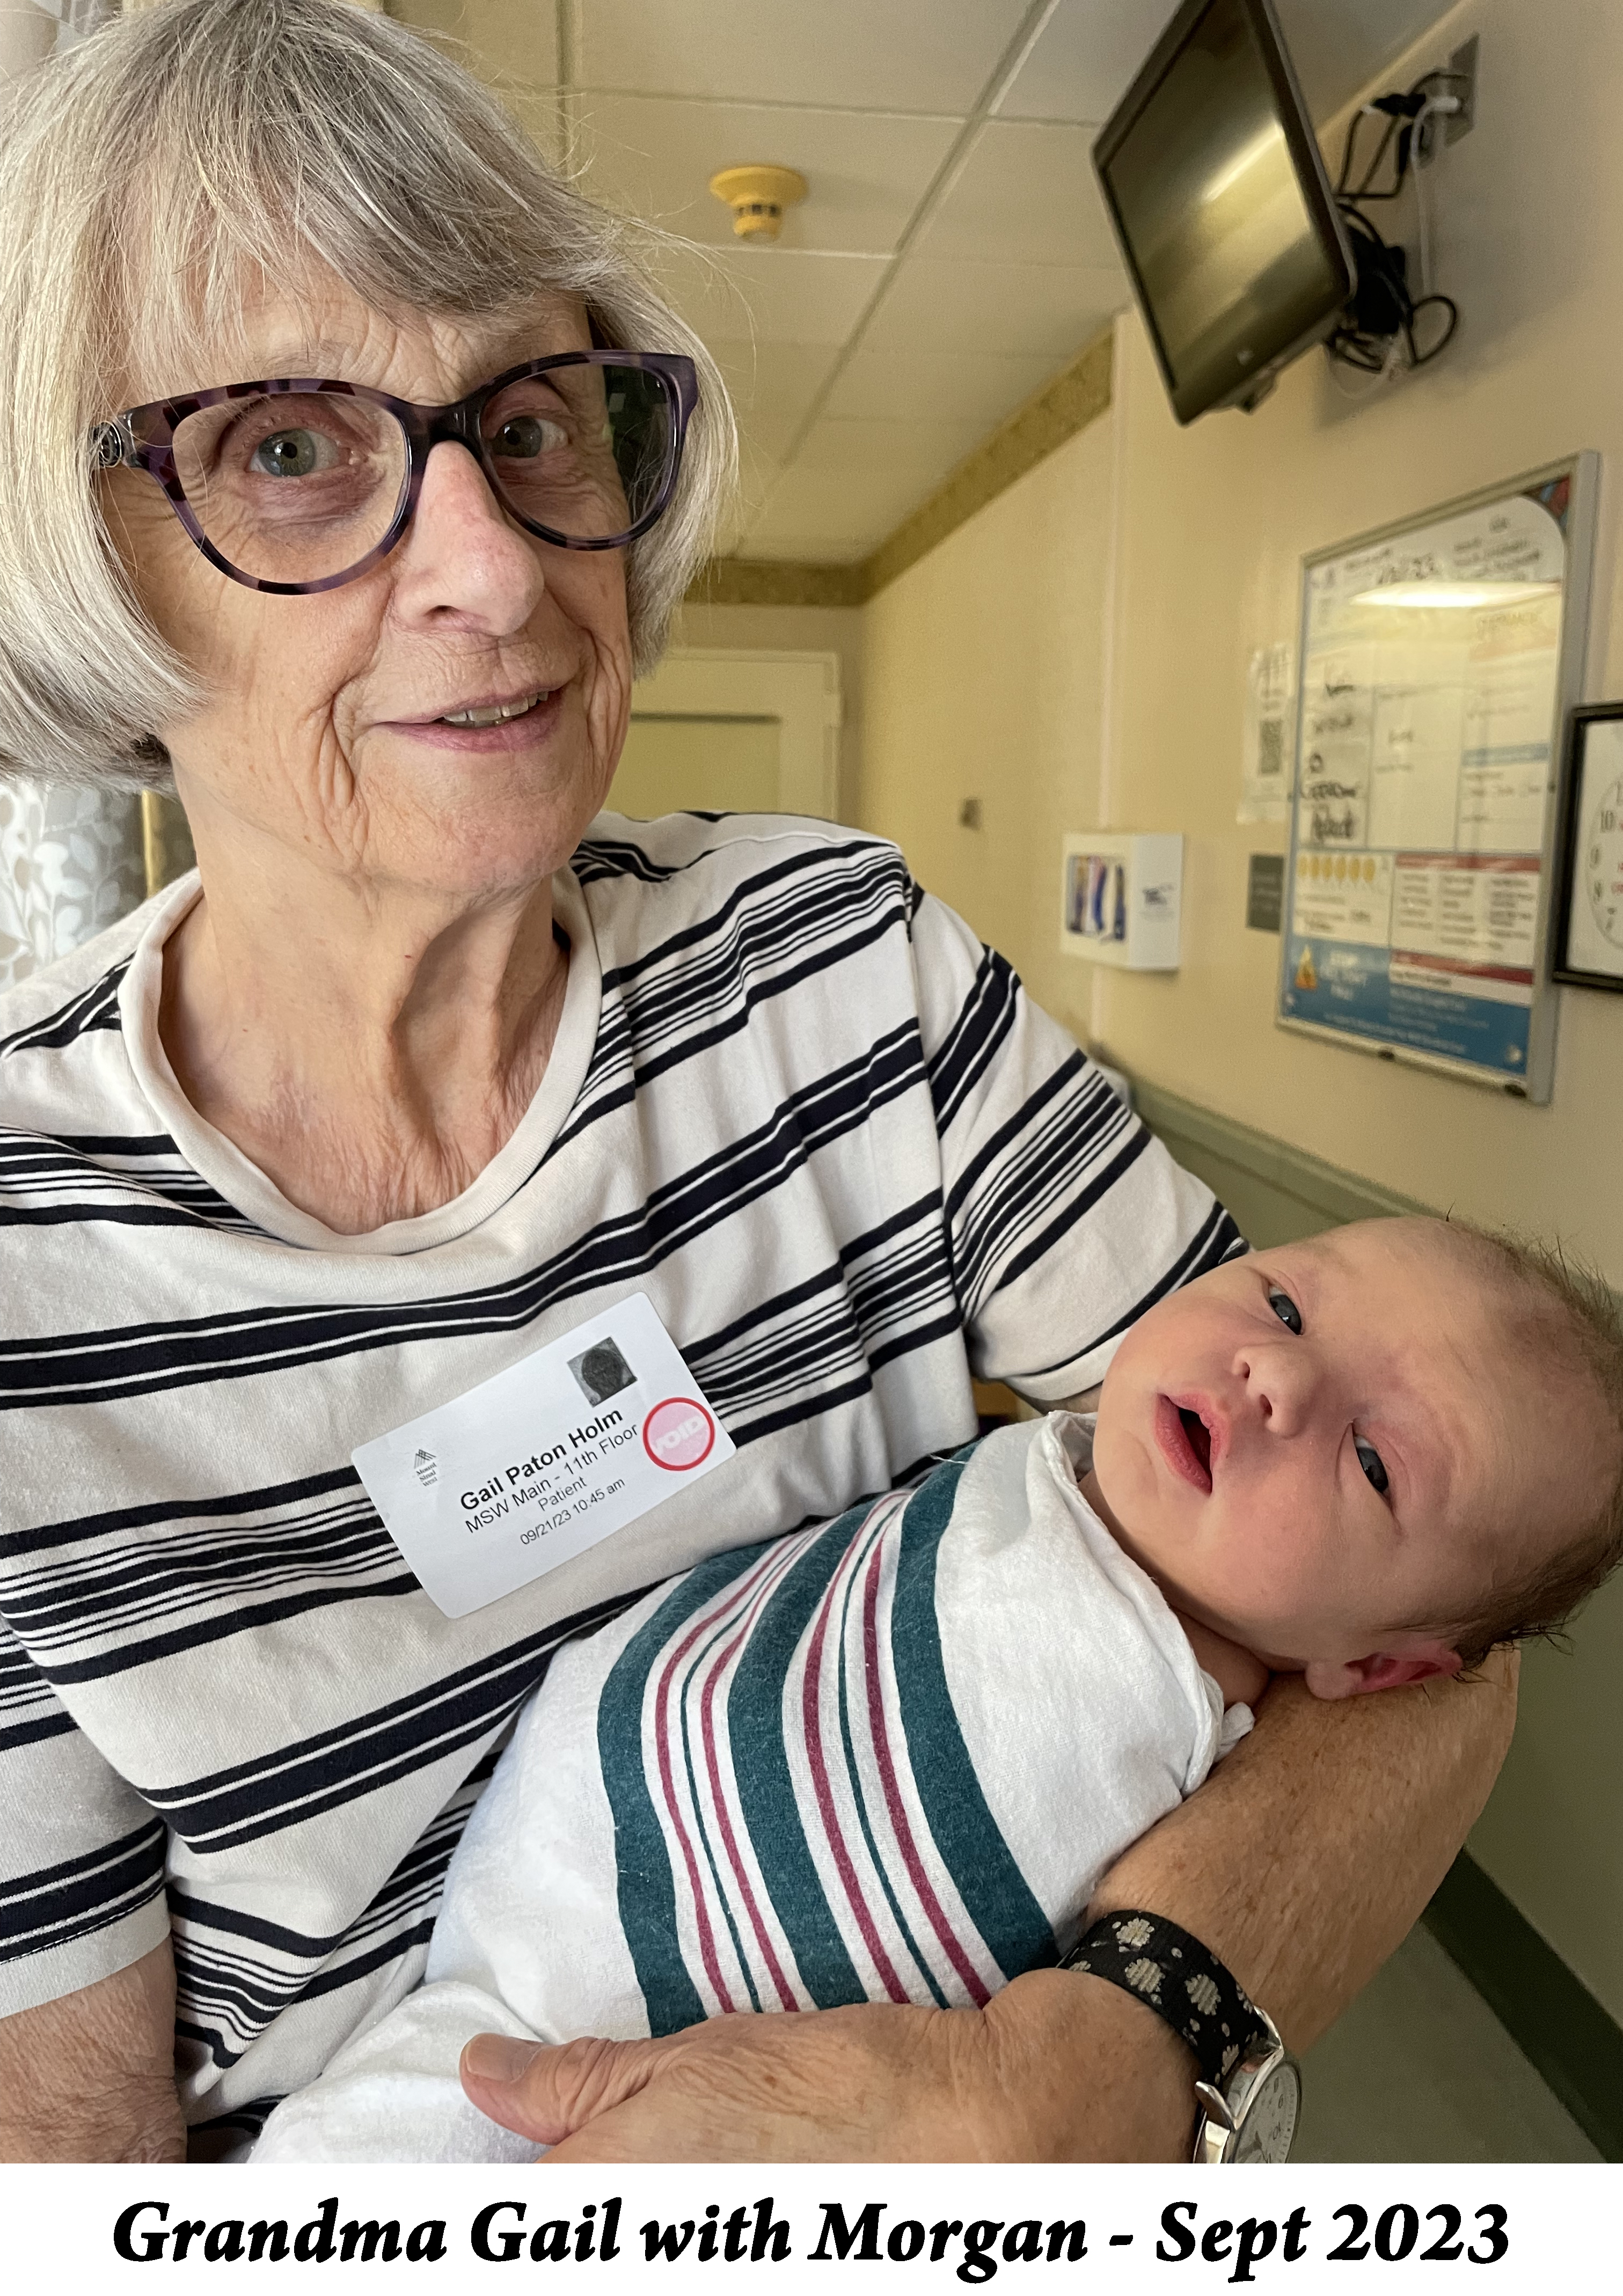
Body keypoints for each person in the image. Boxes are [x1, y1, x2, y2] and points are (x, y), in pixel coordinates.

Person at [0, 0, 1515, 2168]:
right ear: (86, 557)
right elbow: (63, 2162)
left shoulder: (845, 970)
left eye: (533, 420)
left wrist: (1101, 2057)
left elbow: (1424, 1599)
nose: (499, 567)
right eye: (285, 447)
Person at [248, 1215, 1623, 2163]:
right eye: (1281, 1299)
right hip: (538, 1884)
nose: (1278, 1374)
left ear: (1374, 1668)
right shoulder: (1057, 1456)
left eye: (1378, 1466)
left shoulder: (1163, 1715)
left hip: (615, 2038)